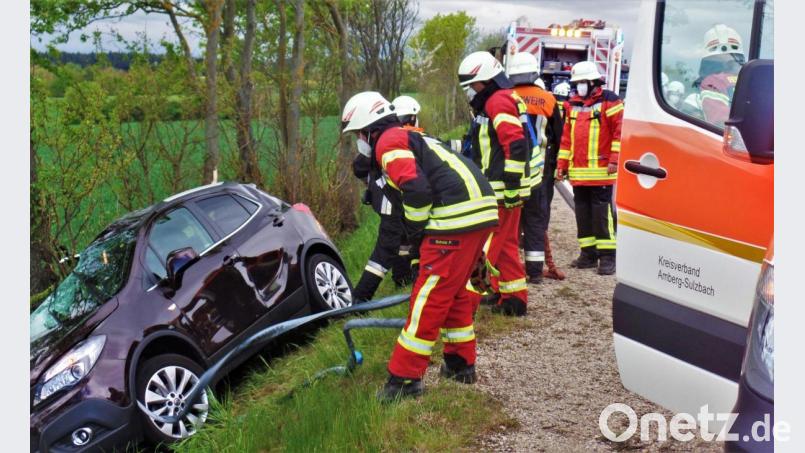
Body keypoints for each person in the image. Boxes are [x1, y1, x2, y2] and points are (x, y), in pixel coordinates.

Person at [341, 91, 499, 401]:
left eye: (358, 134)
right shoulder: (412, 135)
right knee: (451, 294)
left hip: (453, 222)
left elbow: (416, 191)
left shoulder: (387, 142)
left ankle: (404, 379)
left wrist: (414, 231)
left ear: (368, 128)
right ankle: (459, 364)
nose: (359, 141)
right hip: (479, 213)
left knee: (426, 301)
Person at [458, 51, 531, 316]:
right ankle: (513, 299)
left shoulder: (498, 101)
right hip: (502, 187)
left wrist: (511, 184)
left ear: (484, 81)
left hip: (501, 189)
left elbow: (515, 143)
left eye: (471, 85)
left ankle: (463, 308)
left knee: (483, 249)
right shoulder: (500, 98)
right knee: (507, 247)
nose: (469, 91)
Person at [349, 96, 426, 302]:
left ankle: (402, 278)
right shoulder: (393, 143)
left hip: (392, 204)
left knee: (400, 243)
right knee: (389, 247)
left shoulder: (391, 143)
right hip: (392, 206)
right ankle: (361, 297)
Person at [556, 61, 623, 275]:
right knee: (582, 214)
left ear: (594, 82)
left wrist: (614, 159)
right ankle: (588, 254)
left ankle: (607, 257)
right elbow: (566, 139)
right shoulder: (571, 104)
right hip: (578, 173)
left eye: (582, 82)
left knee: (602, 216)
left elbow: (619, 133)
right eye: (577, 83)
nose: (579, 87)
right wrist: (561, 164)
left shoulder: (610, 101)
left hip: (601, 171)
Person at [507, 52, 565, 284]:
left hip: (510, 172)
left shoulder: (506, 98)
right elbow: (559, 136)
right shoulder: (548, 100)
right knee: (536, 221)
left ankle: (509, 267)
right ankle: (534, 272)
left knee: (510, 222)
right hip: (539, 173)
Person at [695, 24, 745, 126]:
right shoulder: (711, 82)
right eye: (718, 61)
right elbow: (721, 121)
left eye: (732, 60)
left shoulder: (747, 78)